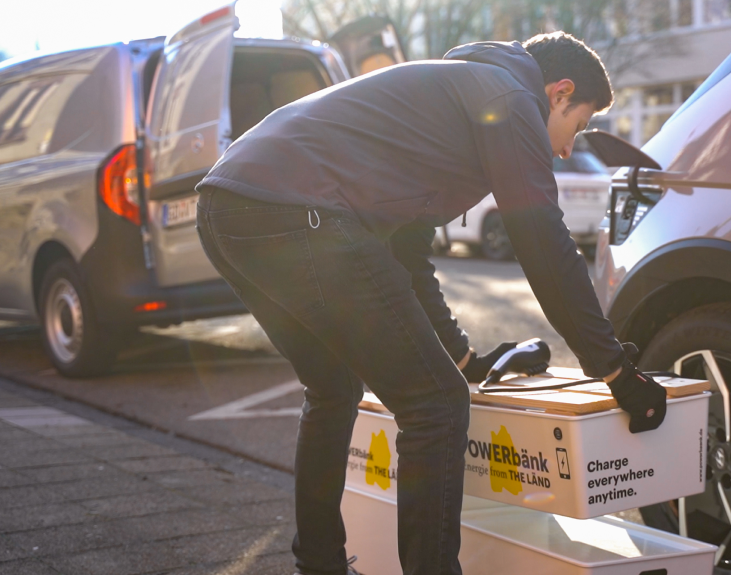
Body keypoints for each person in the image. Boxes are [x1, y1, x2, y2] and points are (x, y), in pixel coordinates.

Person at [194, 31, 667, 575]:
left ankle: (319, 565)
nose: (565, 148)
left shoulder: (450, 94)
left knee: (333, 386)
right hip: (295, 212)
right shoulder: (510, 100)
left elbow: (409, 263)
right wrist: (614, 372)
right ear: (559, 92)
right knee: (436, 406)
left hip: (230, 208)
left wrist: (467, 362)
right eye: (578, 125)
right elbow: (545, 245)